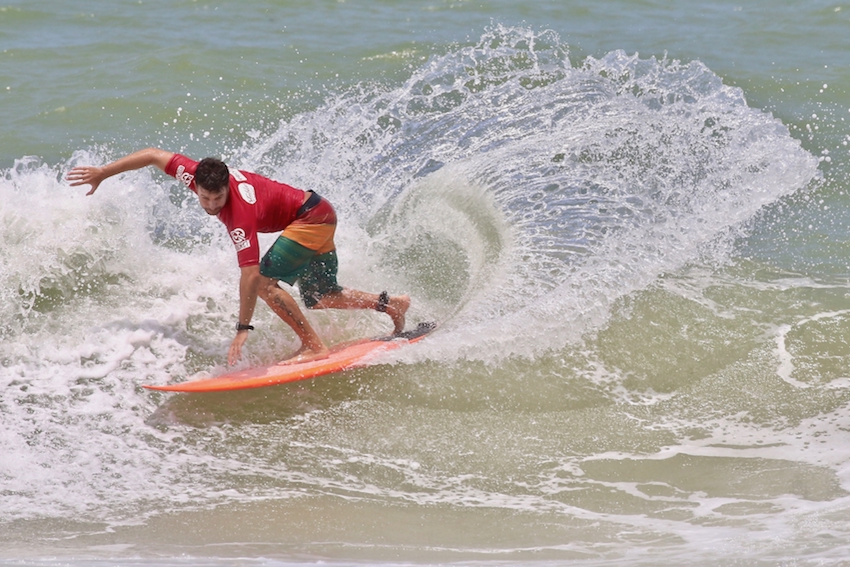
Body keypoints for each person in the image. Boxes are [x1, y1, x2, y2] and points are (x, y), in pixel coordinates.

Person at [67, 148, 409, 366]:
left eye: (217, 199)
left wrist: (243, 328)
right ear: (195, 184)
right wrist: (102, 173)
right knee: (320, 296)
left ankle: (312, 346)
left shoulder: (240, 214)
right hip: (319, 211)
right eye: (205, 199)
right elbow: (153, 156)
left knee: (264, 283)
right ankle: (392, 303)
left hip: (310, 218)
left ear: (227, 186)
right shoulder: (194, 173)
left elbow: (250, 277)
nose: (212, 207)